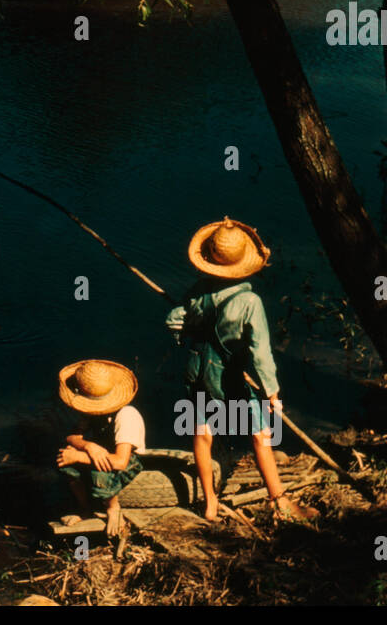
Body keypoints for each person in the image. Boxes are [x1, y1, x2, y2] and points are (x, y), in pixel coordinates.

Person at [166, 217, 317, 523]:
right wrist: (272, 392)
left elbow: (173, 319)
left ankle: (209, 504)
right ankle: (281, 503)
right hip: (228, 375)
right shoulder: (250, 301)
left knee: (201, 433)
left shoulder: (197, 292)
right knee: (261, 434)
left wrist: (186, 338)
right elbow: (260, 353)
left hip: (196, 371)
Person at [55, 358, 148, 536]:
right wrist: (88, 446)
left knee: (99, 473)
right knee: (64, 460)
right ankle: (85, 509)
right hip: (103, 453)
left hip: (128, 460)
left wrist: (79, 457)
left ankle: (113, 508)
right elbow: (72, 436)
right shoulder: (94, 415)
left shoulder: (126, 416)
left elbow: (120, 462)